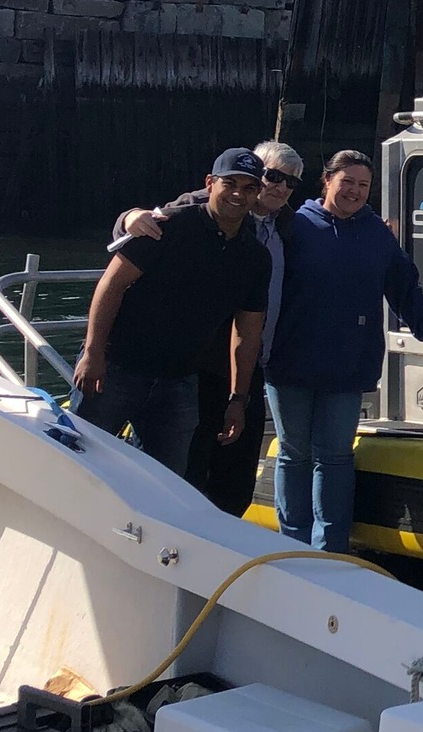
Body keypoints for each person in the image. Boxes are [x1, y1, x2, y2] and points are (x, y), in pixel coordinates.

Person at [265, 149, 423, 552]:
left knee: (336, 456)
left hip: (347, 366)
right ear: (327, 181)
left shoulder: (376, 234)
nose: (354, 191)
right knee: (294, 454)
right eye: (347, 182)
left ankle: (330, 548)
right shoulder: (294, 225)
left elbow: (406, 290)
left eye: (363, 185)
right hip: (290, 364)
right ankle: (291, 545)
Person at [112, 140, 304, 512]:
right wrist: (128, 217)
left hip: (248, 367)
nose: (281, 187)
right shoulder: (204, 206)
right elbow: (147, 224)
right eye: (273, 176)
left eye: (291, 182)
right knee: (187, 469)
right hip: (197, 365)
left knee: (237, 477)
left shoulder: (289, 225)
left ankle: (223, 538)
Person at [72, 149, 271, 472]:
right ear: (210, 183)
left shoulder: (256, 257)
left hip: (179, 382)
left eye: (249, 188)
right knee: (79, 463)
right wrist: (93, 353)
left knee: (165, 482)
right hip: (116, 369)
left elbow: (247, 332)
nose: (238, 194)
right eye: (230, 183)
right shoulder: (169, 225)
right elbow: (111, 284)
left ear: (258, 193)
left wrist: (238, 399)